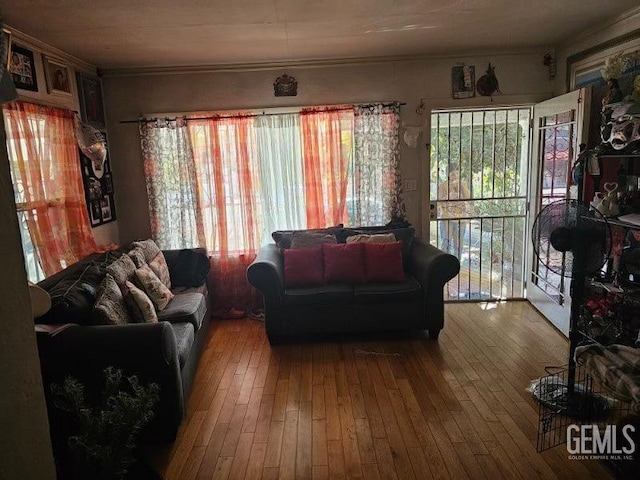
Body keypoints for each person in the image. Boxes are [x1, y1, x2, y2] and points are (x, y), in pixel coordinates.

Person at [437, 169, 470, 255]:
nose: (455, 176)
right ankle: (445, 264)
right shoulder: (442, 186)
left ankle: (457, 264)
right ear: (448, 174)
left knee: (459, 244)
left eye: (456, 173)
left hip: (461, 218)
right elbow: (439, 202)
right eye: (452, 174)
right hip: (447, 217)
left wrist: (463, 187)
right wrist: (449, 196)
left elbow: (468, 198)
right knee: (446, 241)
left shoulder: (462, 184)